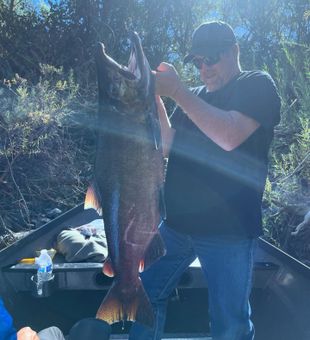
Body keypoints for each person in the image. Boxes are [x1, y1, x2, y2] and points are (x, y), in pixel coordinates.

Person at [129, 21, 281, 340]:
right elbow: (168, 143)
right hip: (176, 226)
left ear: (234, 51)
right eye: (197, 61)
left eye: (211, 58)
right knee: (144, 295)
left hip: (229, 232)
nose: (204, 69)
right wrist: (151, 94)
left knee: (230, 323)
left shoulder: (256, 85)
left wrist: (177, 91)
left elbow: (228, 134)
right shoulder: (194, 97)